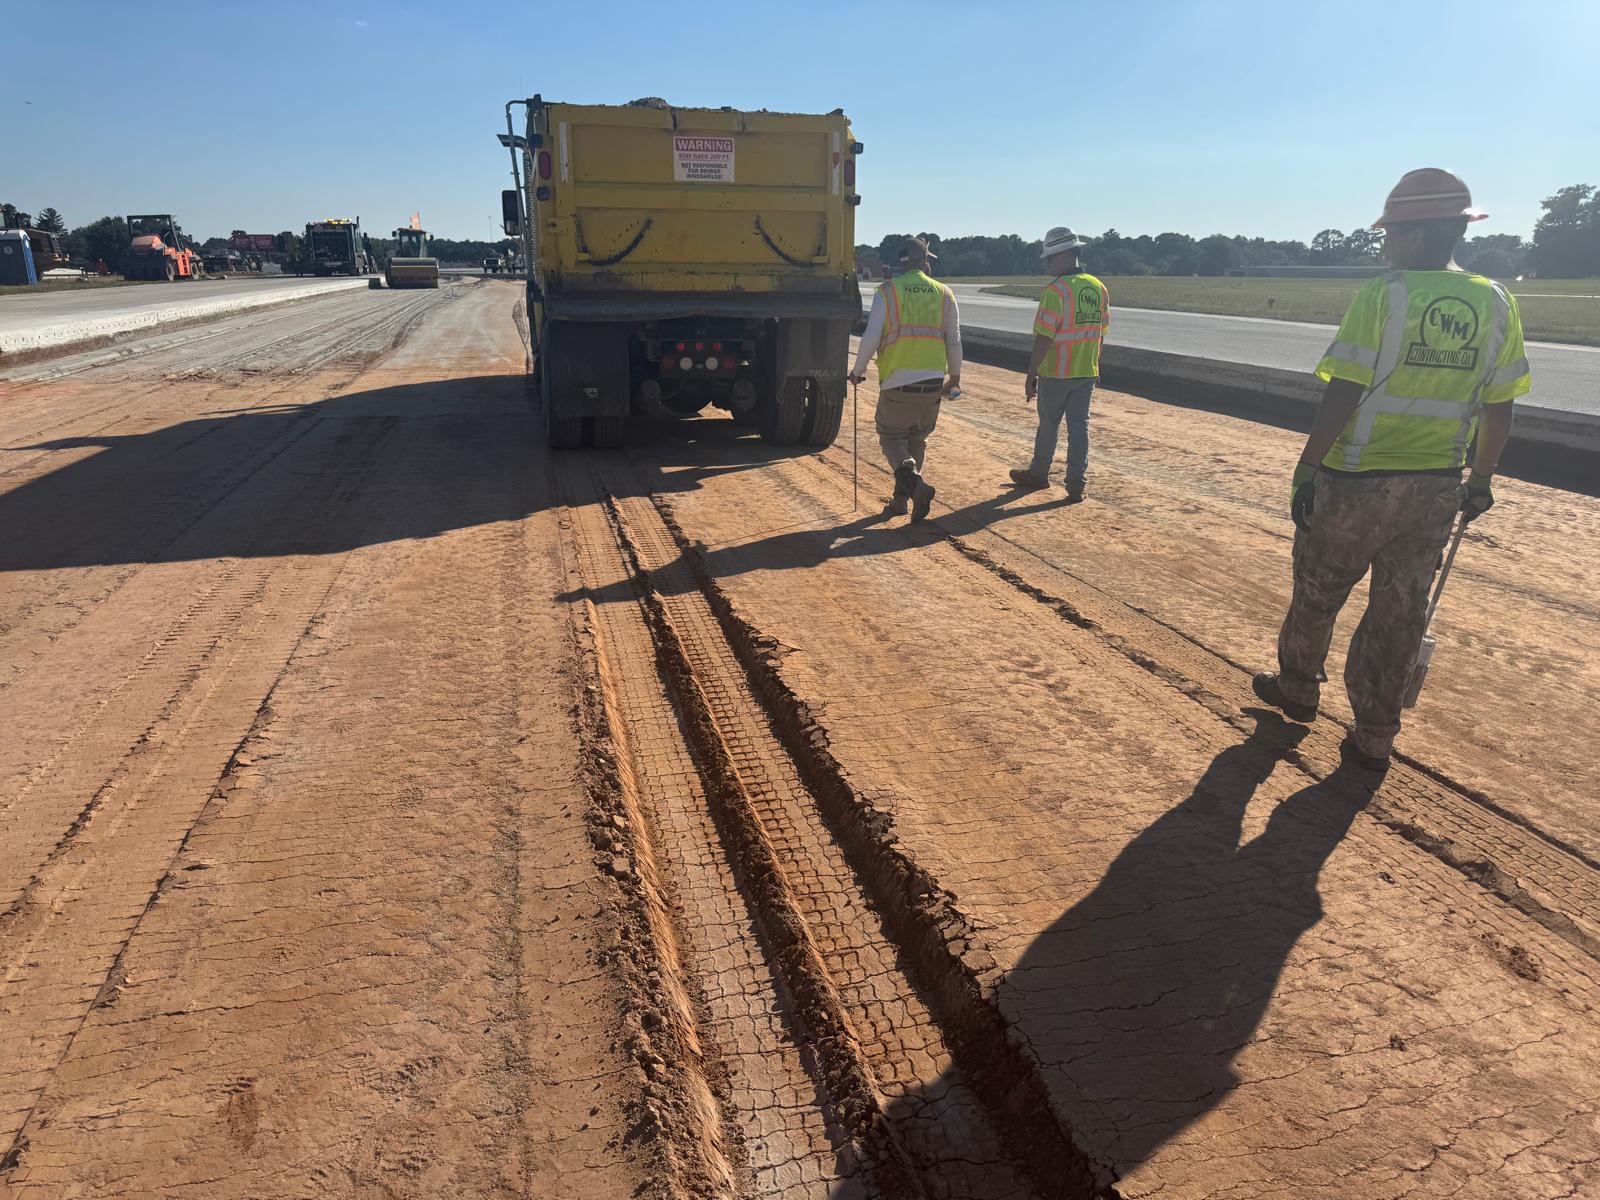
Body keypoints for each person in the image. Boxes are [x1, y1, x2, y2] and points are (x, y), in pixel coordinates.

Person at [1252, 168, 1531, 771]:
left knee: (1318, 591)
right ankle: (1375, 732)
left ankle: (1297, 688)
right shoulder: (1497, 301)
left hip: (1356, 481)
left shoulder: (1385, 294)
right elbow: (1500, 407)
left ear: (1417, 235)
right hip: (1435, 487)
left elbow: (1344, 390)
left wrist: (1307, 465)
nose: (1383, 244)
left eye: (1390, 233)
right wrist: (1481, 479)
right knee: (1399, 614)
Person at [848, 237, 961, 521]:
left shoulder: (888, 292)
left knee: (891, 437)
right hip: (933, 381)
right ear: (925, 261)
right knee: (917, 439)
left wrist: (858, 370)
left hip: (897, 380)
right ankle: (901, 500)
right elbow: (954, 339)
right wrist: (955, 377)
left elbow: (872, 335)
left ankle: (915, 485)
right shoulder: (944, 293)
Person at [1010, 227, 1109, 502]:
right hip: (1086, 371)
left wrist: (1031, 374)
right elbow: (1100, 332)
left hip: (1056, 372)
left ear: (1065, 255)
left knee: (1049, 425)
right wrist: (1095, 364)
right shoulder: (1098, 287)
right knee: (1079, 429)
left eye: (1050, 258)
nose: (1047, 264)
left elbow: (1044, 336)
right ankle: (1076, 486)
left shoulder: (1056, 291)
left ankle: (1039, 473)